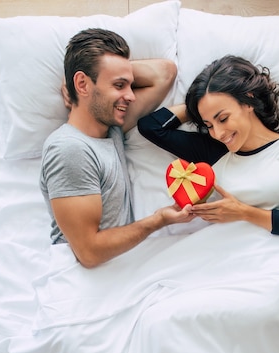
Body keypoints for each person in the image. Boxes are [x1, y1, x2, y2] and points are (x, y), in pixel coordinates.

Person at [40, 28, 194, 268]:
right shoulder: (70, 150)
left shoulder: (111, 128)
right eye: (120, 85)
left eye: (131, 85)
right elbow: (89, 253)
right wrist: (158, 220)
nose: (131, 96)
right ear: (82, 84)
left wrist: (78, 79)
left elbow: (164, 73)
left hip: (118, 269)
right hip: (83, 278)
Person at [137, 55, 279, 238]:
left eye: (223, 118)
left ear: (248, 100)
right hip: (224, 254)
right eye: (208, 125)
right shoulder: (213, 150)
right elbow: (151, 127)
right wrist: (199, 106)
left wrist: (243, 212)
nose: (218, 133)